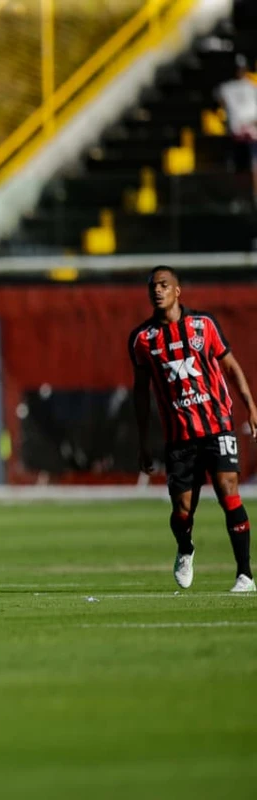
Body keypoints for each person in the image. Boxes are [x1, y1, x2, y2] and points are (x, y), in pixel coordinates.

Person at [129, 265, 257, 593]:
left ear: (177, 290)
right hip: (179, 439)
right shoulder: (143, 339)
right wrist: (143, 442)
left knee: (229, 490)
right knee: (183, 510)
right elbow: (141, 393)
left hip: (218, 427)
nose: (157, 290)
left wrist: (251, 404)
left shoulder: (203, 325)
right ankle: (185, 548)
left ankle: (245, 574)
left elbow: (231, 366)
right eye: (152, 286)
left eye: (163, 285)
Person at [215, 55, 257, 200]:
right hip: (236, 133)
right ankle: (241, 197)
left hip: (253, 132)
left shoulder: (252, 87)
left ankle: (254, 196)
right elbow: (221, 102)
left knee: (254, 163)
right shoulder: (226, 88)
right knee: (239, 168)